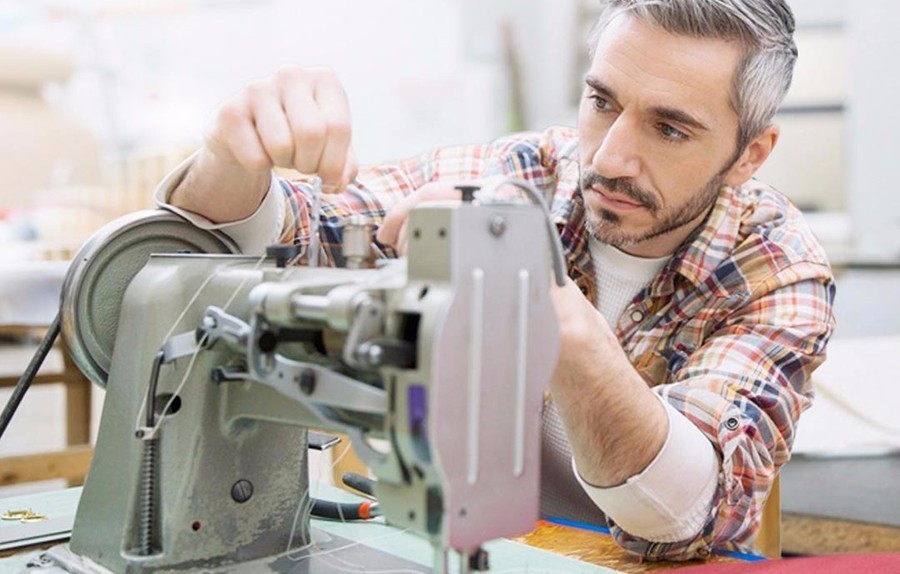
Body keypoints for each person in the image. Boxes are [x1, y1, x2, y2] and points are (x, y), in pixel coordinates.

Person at [156, 0, 835, 561]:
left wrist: (554, 313)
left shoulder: (778, 268)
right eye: (602, 101)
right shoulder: (528, 170)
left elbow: (684, 513)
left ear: (751, 154)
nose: (611, 155)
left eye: (669, 128)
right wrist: (230, 160)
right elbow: (300, 230)